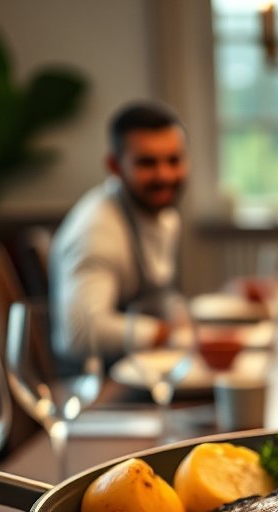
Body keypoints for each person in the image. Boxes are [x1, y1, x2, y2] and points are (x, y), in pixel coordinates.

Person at [49, 101, 189, 362]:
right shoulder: (95, 232)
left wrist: (189, 323)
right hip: (98, 378)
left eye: (174, 160)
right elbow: (78, 334)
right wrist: (168, 334)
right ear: (114, 166)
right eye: (147, 163)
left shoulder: (165, 215)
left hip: (143, 365)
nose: (165, 175)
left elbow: (160, 295)